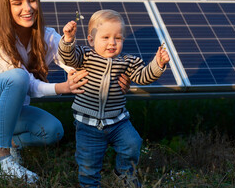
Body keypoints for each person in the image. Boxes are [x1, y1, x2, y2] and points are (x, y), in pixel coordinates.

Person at [0, 0, 131, 184]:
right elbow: (25, 83)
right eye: (18, 3)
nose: (28, 7)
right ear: (5, 6)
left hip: (10, 110)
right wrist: (60, 88)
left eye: (32, 0)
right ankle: (2, 159)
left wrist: (115, 76)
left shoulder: (47, 36)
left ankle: (9, 143)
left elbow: (77, 62)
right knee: (18, 76)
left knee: (53, 131)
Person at [58, 9, 170, 187]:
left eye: (117, 38)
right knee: (88, 164)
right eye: (106, 38)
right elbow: (68, 57)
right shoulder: (85, 56)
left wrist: (158, 64)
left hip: (118, 121)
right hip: (88, 123)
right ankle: (89, 184)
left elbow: (143, 76)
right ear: (91, 40)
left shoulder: (128, 61)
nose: (112, 43)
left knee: (133, 143)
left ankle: (124, 174)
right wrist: (68, 40)